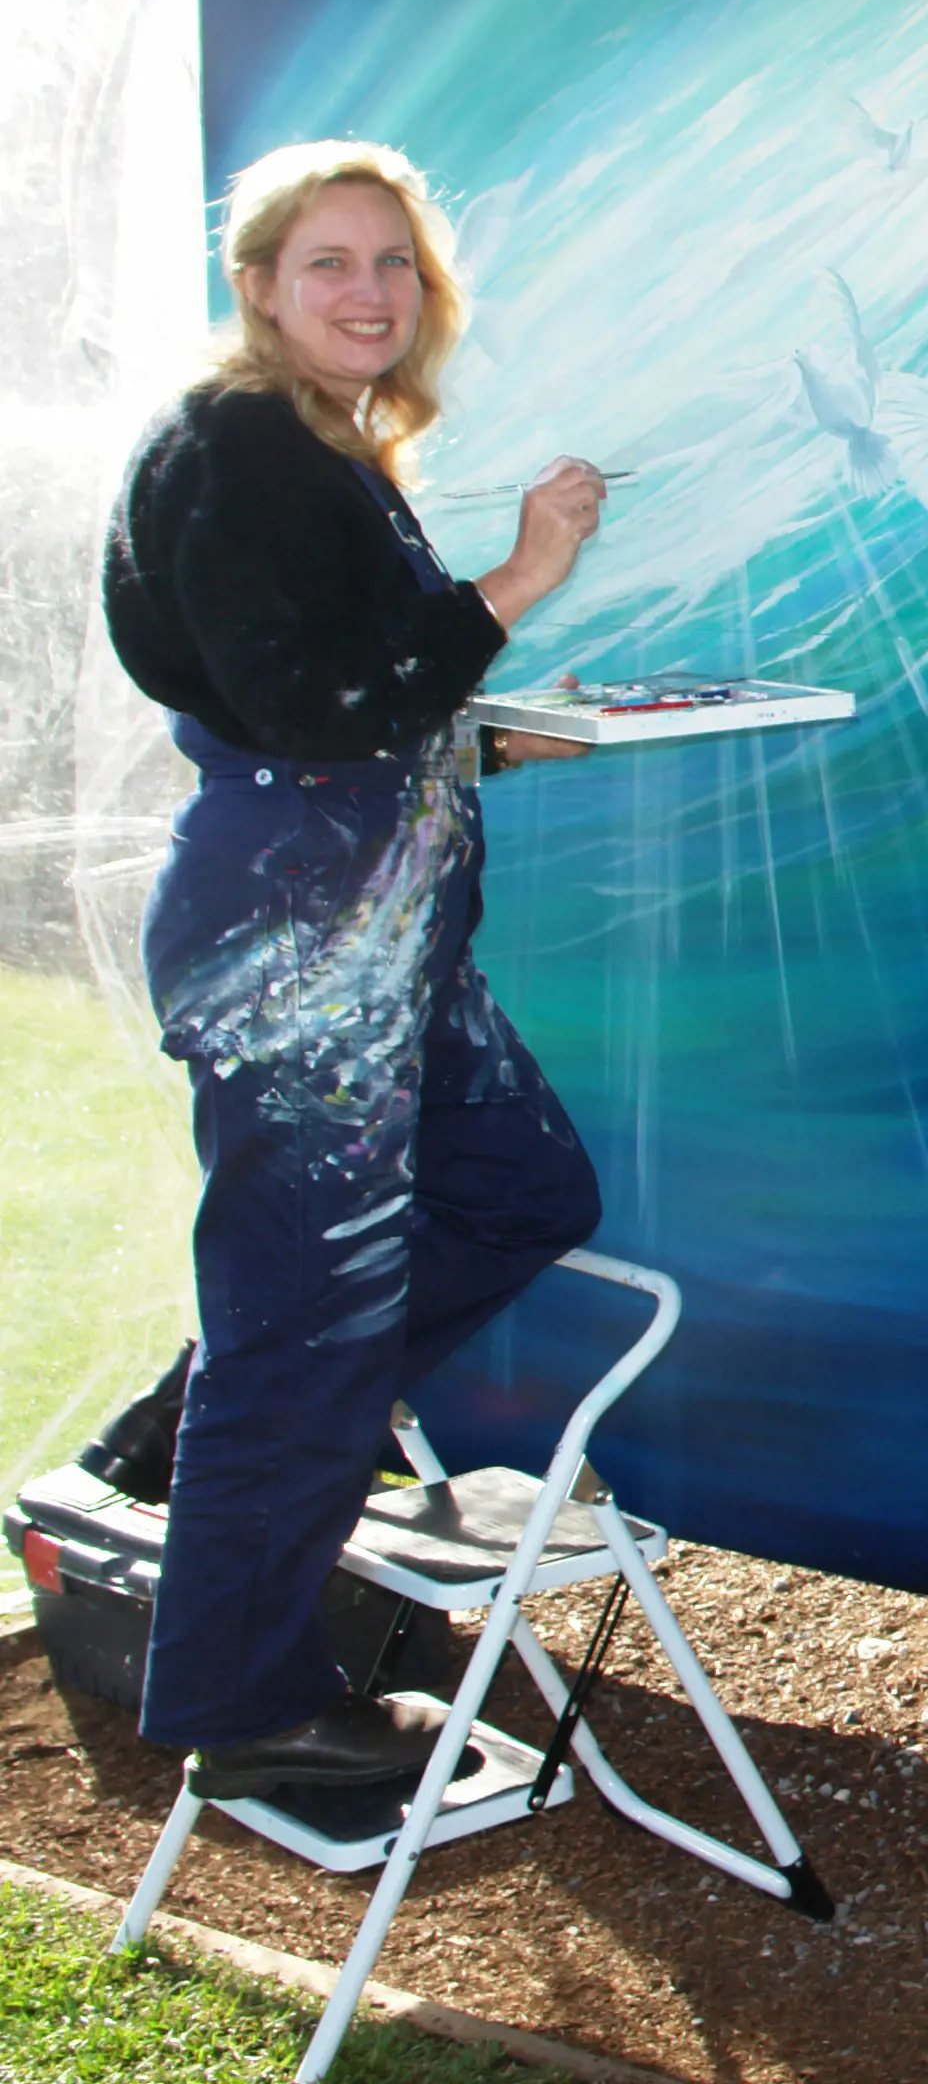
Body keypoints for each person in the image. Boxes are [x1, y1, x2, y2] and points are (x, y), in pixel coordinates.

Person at [92, 138, 612, 1800]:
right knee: (301, 1337)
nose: (369, 292)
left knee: (522, 1192)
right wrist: (519, 581)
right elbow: (311, 708)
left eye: (393, 263)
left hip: (386, 945)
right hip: (298, 962)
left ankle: (217, 1429)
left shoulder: (316, 443)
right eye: (329, 262)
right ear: (258, 287)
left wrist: (475, 744)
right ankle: (242, 1707)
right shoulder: (241, 446)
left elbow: (323, 689)